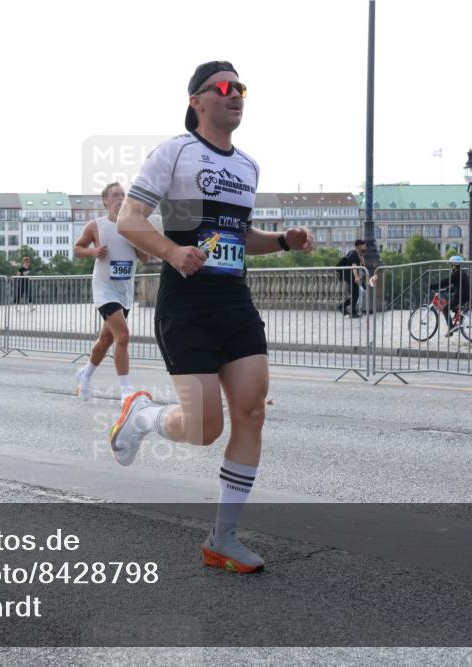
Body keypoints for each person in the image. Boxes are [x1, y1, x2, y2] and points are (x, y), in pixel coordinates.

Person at [113, 61, 315, 574]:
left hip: (233, 301)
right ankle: (141, 416)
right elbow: (129, 219)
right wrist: (173, 253)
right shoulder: (174, 152)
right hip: (187, 304)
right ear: (197, 101)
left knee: (251, 413)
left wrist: (282, 241)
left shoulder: (248, 166)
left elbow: (239, 237)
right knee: (204, 428)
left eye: (240, 88)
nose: (236, 95)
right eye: (224, 87)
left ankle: (222, 539)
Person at [73, 182, 152, 403]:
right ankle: (126, 389)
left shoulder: (133, 227)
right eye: (116, 195)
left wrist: (134, 238)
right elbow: (77, 250)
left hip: (124, 290)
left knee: (106, 339)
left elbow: (145, 259)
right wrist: (93, 251)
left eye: (123, 195)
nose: (120, 199)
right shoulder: (95, 226)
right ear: (106, 200)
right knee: (123, 336)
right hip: (104, 288)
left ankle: (85, 374)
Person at [430, 255, 472, 336]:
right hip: (463, 295)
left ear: (455, 265)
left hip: (460, 296)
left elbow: (446, 281)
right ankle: (456, 316)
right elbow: (456, 286)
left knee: (445, 308)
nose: (451, 266)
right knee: (451, 304)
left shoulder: (456, 273)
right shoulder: (461, 272)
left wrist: (433, 286)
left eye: (451, 265)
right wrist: (446, 290)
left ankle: (451, 328)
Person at [338, 239, 367, 318]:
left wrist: (360, 276)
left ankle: (343, 307)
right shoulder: (353, 253)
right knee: (356, 293)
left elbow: (360, 267)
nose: (365, 247)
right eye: (364, 245)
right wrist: (356, 277)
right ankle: (351, 311)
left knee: (356, 294)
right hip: (349, 275)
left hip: (352, 275)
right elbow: (354, 266)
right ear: (359, 246)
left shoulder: (359, 254)